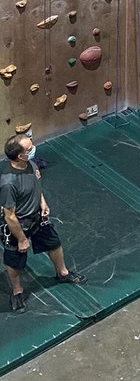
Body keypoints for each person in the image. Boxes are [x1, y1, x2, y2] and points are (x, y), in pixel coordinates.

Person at [1, 134, 85, 313]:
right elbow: (9, 216)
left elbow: (35, 186)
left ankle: (62, 273)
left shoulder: (30, 164)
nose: (33, 149)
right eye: (29, 149)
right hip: (19, 224)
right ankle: (17, 291)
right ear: (20, 156)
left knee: (54, 244)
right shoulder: (8, 183)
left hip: (37, 216)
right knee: (14, 260)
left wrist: (42, 202)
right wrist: (22, 239)